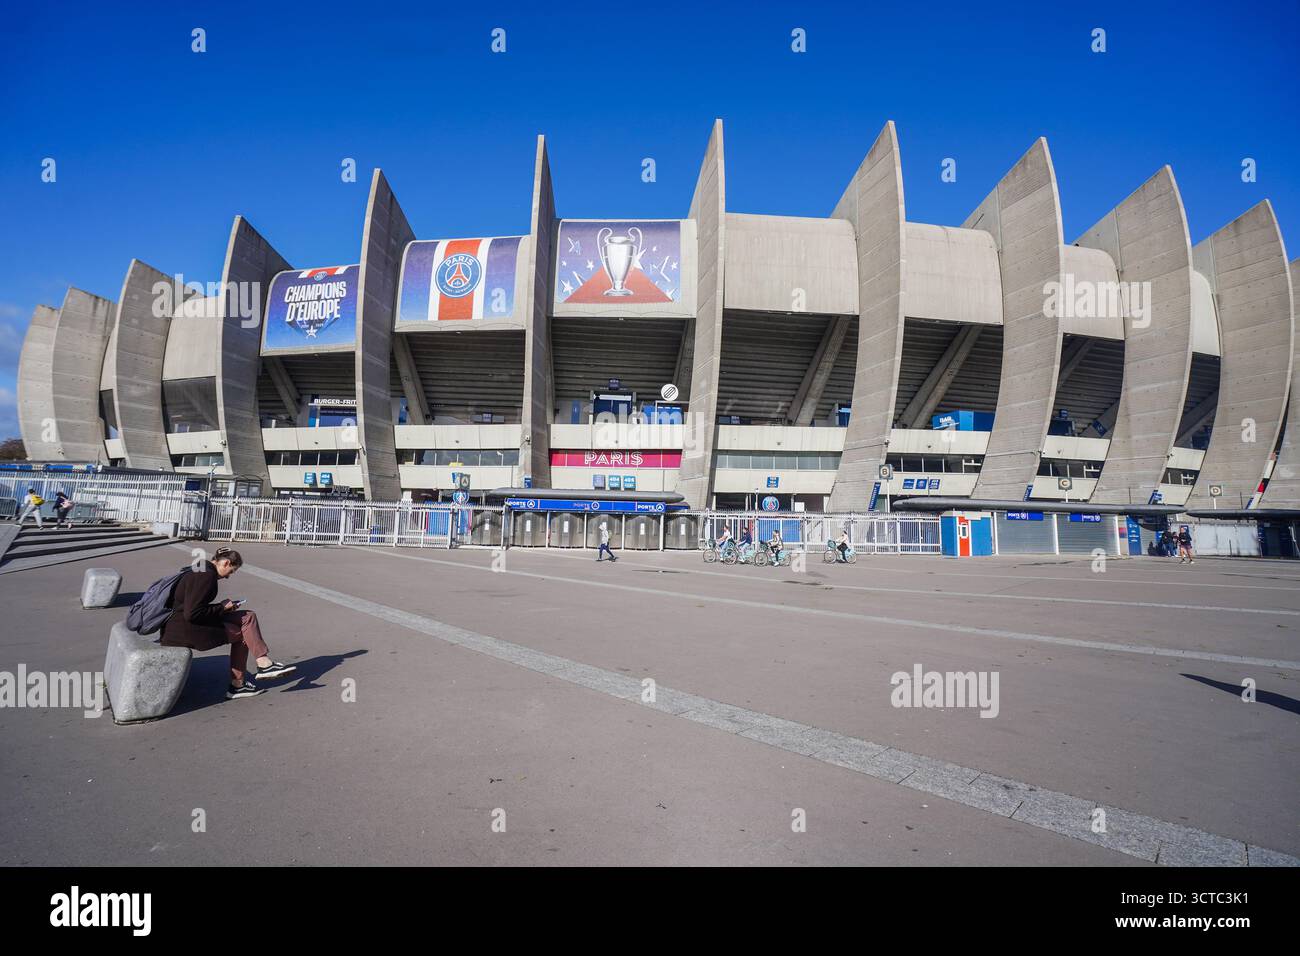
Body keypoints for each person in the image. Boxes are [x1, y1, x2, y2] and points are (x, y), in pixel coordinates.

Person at [160, 547, 296, 699]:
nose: (229, 576)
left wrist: (224, 608)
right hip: (185, 630)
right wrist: (222, 607)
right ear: (225, 563)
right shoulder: (205, 576)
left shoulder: (203, 570)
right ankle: (239, 685)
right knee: (244, 634)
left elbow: (194, 607)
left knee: (248, 616)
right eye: (232, 571)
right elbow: (192, 614)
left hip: (184, 624)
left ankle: (263, 662)